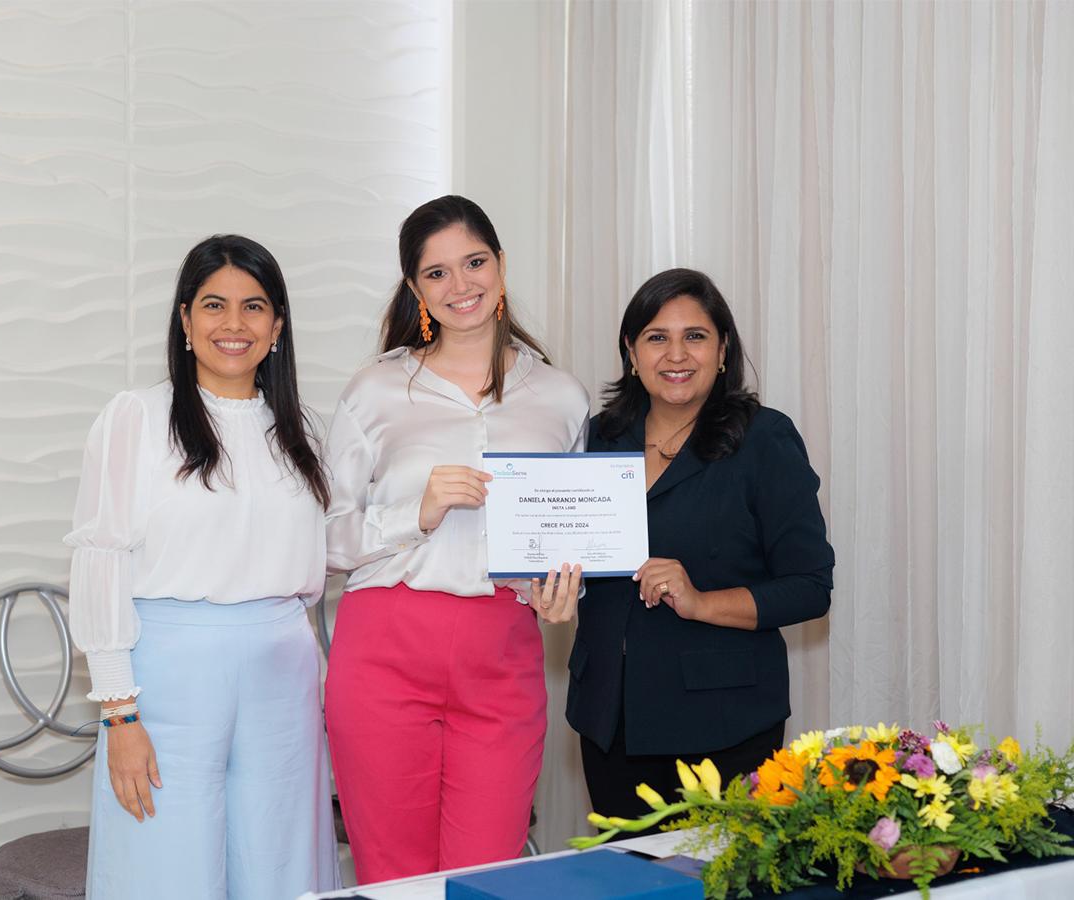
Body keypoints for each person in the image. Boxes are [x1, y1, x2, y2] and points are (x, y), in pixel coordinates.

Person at [323, 195, 589, 883]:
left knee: (484, 880)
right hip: (385, 650)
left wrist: (565, 592)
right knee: (396, 879)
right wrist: (419, 510)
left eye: (474, 262)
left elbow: (569, 533)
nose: (460, 285)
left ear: (501, 266)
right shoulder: (375, 389)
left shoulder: (562, 396)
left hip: (502, 655)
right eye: (436, 273)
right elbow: (326, 536)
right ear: (415, 290)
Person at [66, 235, 340, 898]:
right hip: (169, 676)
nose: (233, 324)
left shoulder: (300, 428)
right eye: (214, 305)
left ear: (277, 326)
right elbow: (101, 561)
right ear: (185, 320)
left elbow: (332, 557)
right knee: (166, 866)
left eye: (253, 306)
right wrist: (121, 716)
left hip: (284, 671)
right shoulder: (137, 416)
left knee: (280, 864)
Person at [566, 268, 834, 823]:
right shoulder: (594, 439)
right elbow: (568, 556)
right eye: (656, 337)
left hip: (724, 720)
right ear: (631, 351)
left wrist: (701, 601)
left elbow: (810, 588)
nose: (675, 354)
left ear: (723, 349)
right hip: (610, 719)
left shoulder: (765, 439)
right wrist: (550, 590)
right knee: (628, 884)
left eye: (695, 335)